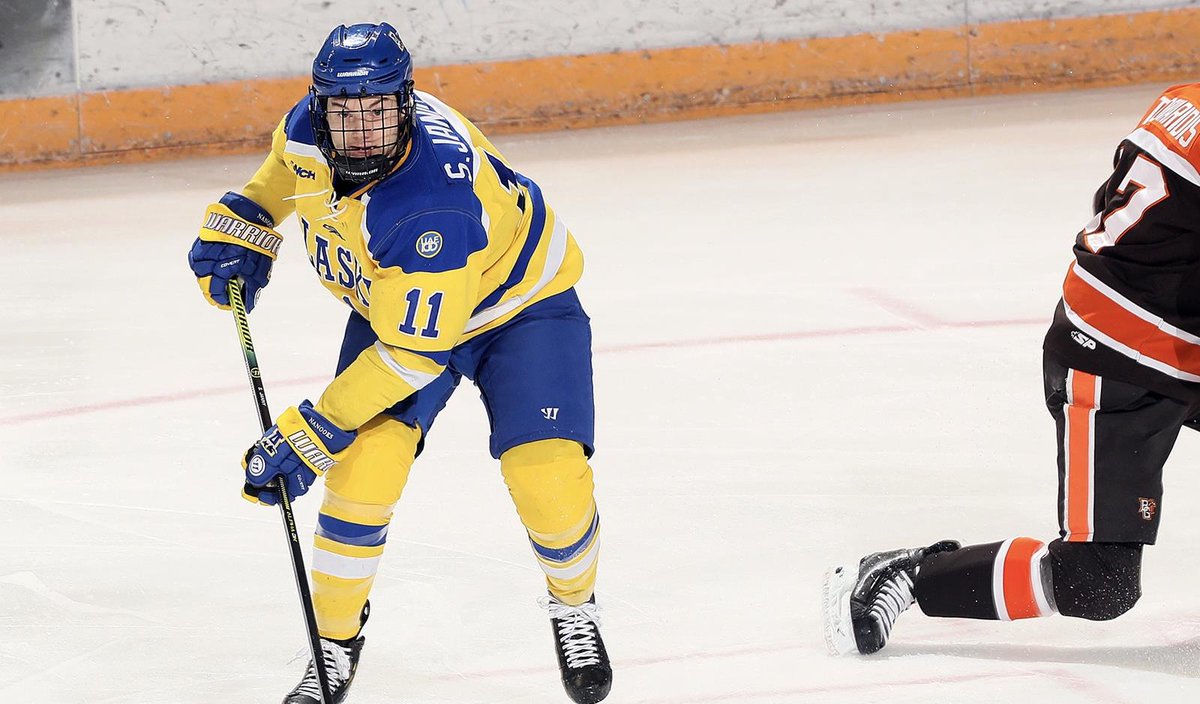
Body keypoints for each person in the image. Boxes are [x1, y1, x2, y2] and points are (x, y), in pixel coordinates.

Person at [187, 22, 612, 704]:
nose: (360, 130)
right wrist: (243, 222)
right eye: (344, 111)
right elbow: (275, 183)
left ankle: (574, 605)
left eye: (378, 110)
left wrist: (312, 429)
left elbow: (415, 356)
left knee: (547, 476)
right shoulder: (305, 129)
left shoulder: (430, 202)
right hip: (402, 310)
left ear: (405, 103)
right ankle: (333, 642)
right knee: (362, 472)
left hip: (520, 310)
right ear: (320, 104)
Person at [823, 83, 1200, 656]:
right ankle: (907, 575)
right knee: (1099, 583)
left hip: (1162, 334)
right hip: (1115, 363)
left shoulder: (1185, 96)